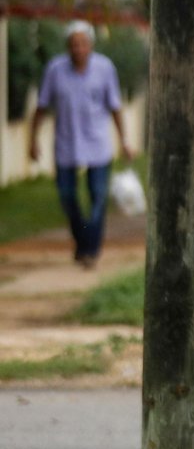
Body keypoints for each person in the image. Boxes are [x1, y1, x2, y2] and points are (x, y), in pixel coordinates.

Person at [27, 21, 133, 267]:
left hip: (98, 145)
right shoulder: (55, 70)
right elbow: (41, 107)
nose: (79, 49)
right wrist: (32, 140)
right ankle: (83, 240)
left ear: (91, 45)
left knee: (98, 198)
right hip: (66, 145)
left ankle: (90, 250)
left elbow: (115, 107)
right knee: (67, 197)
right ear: (68, 46)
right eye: (74, 44)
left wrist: (124, 140)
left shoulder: (105, 68)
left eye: (83, 44)